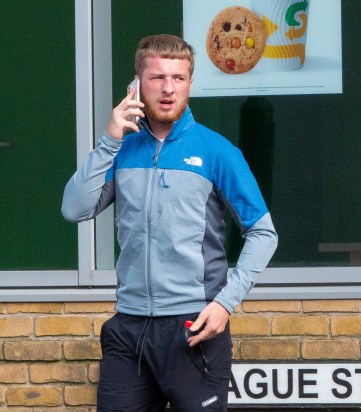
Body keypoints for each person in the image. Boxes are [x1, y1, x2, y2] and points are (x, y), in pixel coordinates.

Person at [62, 34, 278, 411]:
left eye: (178, 78)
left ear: (190, 84)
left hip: (193, 328)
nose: (167, 89)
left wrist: (225, 304)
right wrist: (110, 139)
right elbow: (75, 209)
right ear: (136, 85)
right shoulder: (120, 150)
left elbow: (263, 233)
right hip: (128, 330)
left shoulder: (217, 152)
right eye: (157, 77)